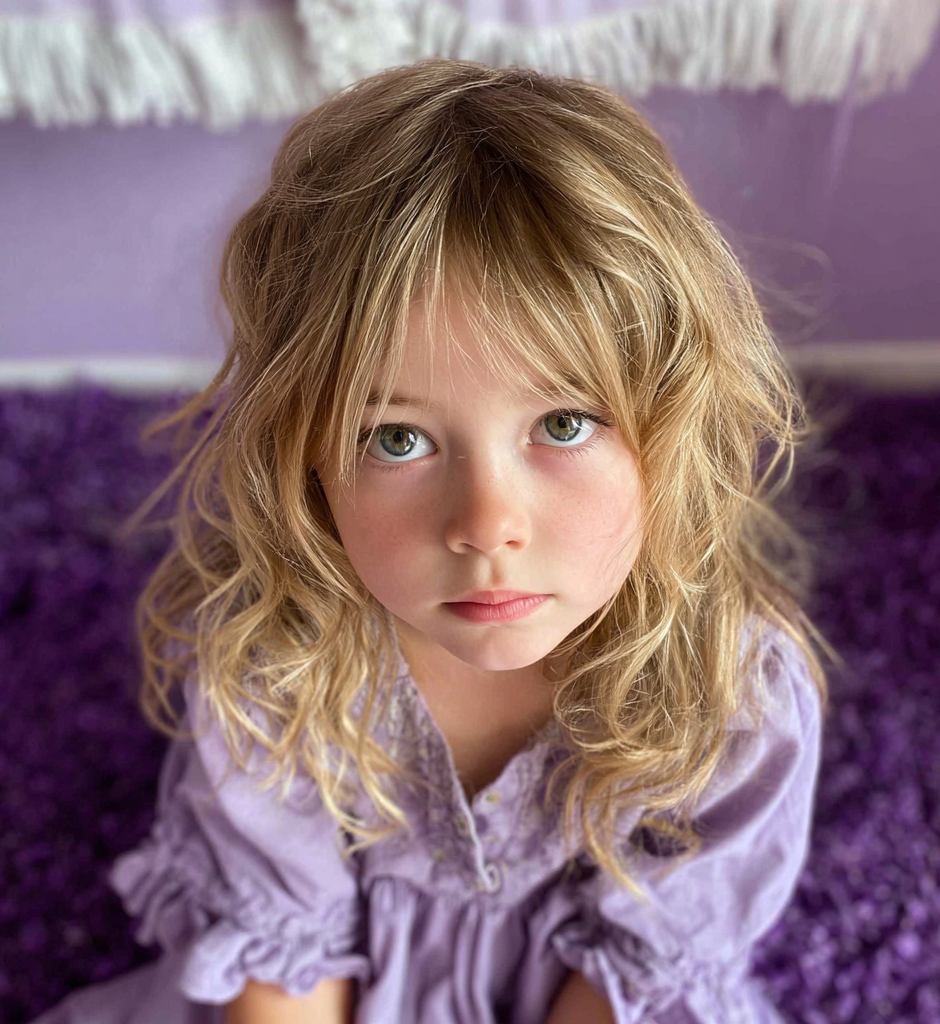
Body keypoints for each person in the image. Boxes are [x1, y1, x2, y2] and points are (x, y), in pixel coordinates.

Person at [35, 58, 826, 1024]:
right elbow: (287, 976)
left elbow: (636, 979)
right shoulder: (275, 664)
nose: (487, 524)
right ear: (306, 456)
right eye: (398, 439)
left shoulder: (730, 696)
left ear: (673, 423)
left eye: (565, 424)